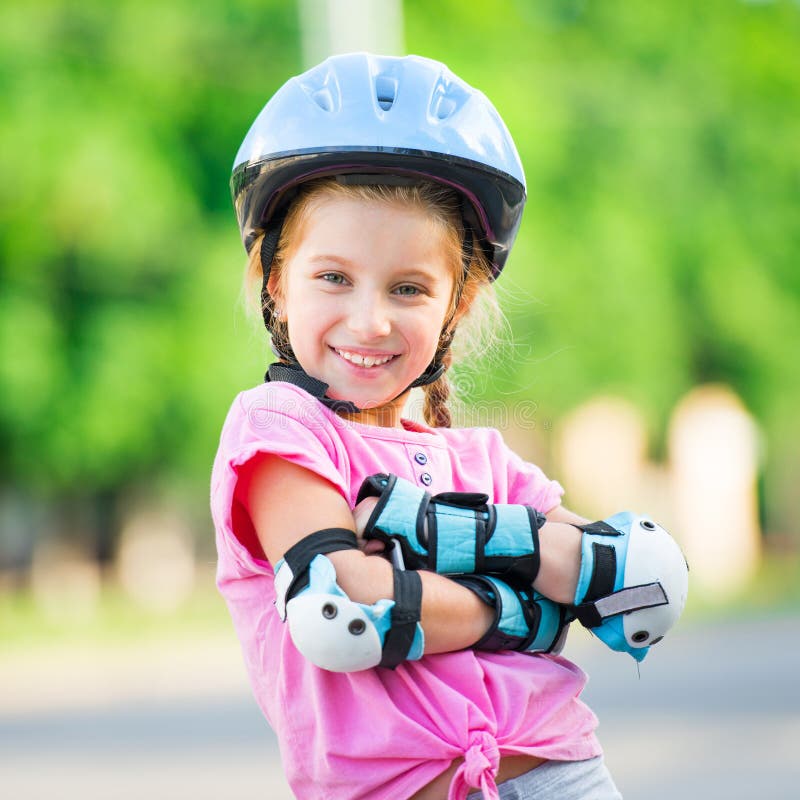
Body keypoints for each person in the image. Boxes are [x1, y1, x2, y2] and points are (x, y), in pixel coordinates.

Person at [211, 53, 688, 800]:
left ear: (455, 307)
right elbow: (347, 610)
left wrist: (417, 536)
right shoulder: (280, 431)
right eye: (333, 277)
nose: (369, 320)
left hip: (564, 773)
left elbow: (643, 586)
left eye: (409, 288)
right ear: (276, 281)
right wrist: (524, 600)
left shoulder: (484, 456)